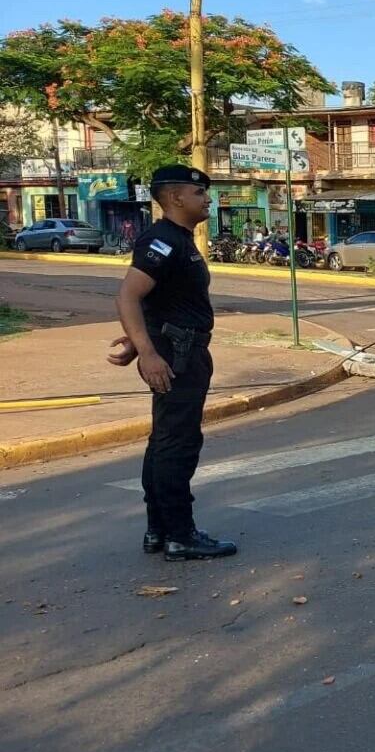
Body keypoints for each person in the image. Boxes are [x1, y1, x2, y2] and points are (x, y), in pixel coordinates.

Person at [108, 165, 237, 562]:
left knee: (165, 441)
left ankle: (159, 530)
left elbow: (159, 300)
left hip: (179, 348)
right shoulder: (162, 241)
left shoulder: (176, 239)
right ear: (177, 198)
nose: (208, 200)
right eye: (200, 194)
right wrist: (148, 351)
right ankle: (180, 535)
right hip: (177, 355)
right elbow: (128, 296)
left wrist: (139, 339)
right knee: (177, 444)